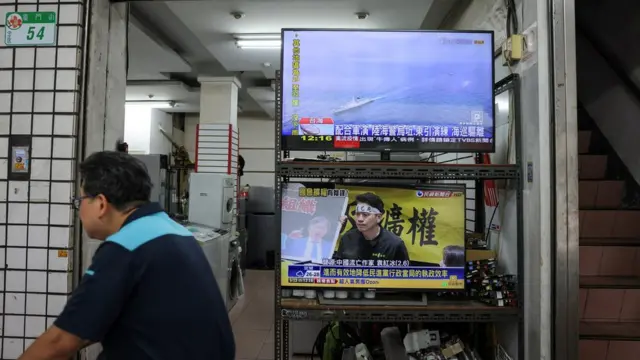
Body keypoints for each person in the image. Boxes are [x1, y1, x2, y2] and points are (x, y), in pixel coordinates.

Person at [19, 151, 235, 360]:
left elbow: (59, 342)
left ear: (101, 204)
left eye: (81, 199)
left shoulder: (125, 247)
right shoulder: (174, 230)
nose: (79, 209)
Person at [334, 192, 409, 262]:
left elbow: (405, 274)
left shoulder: (394, 244)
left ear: (378, 217)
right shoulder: (347, 238)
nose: (360, 219)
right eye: (357, 214)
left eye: (365, 215)